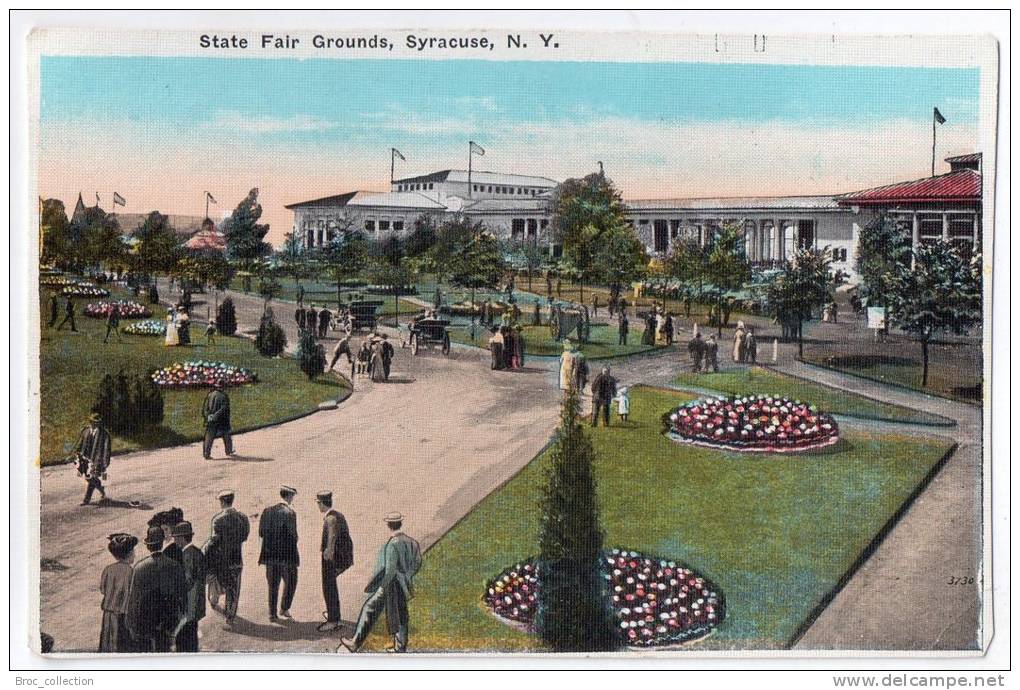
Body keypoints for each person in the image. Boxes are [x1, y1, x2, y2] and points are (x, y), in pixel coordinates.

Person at [339, 513, 422, 654]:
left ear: (389, 525)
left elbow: (389, 571)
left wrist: (382, 586)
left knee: (370, 608)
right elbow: (418, 562)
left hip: (391, 585)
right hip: (404, 584)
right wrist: (407, 575)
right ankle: (400, 647)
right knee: (401, 614)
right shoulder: (412, 542)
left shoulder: (392, 544)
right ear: (400, 524)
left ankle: (355, 643)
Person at [126, 526, 187, 653]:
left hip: (146, 620)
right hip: (168, 620)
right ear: (162, 542)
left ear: (148, 546)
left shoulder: (140, 567)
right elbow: (182, 594)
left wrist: (131, 624)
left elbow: (134, 599)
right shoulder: (174, 565)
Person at [204, 490, 249, 626]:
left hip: (221, 560)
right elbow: (245, 536)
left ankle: (213, 601)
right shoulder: (243, 517)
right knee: (233, 589)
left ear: (222, 502)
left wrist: (205, 550)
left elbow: (214, 541)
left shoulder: (218, 519)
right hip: (236, 559)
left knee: (215, 579)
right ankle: (230, 616)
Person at [259, 485, 300, 622]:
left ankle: (272, 614)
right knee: (291, 581)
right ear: (289, 496)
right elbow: (294, 536)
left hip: (269, 556)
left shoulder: (267, 510)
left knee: (272, 585)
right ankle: (284, 608)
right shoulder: (290, 513)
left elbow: (261, 532)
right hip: (285, 557)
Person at [317, 491, 354, 632]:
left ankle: (333, 620)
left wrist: (328, 553)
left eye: (318, 503)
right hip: (341, 557)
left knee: (329, 587)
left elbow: (331, 538)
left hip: (332, 558)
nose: (318, 506)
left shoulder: (330, 519)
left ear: (321, 503)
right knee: (330, 586)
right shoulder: (338, 515)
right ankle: (334, 614)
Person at [98, 533, 137, 653]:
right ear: (129, 554)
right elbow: (132, 594)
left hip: (108, 615)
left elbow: (102, 589)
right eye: (133, 552)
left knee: (107, 643)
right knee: (123, 645)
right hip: (123, 615)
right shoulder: (131, 571)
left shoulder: (108, 569)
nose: (135, 554)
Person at [172, 522, 206, 652]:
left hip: (190, 602)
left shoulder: (187, 555)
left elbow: (188, 580)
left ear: (182, 538)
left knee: (187, 635)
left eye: (176, 538)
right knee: (192, 632)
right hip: (197, 601)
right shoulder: (197, 551)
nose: (174, 541)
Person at [74, 413, 111, 506]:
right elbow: (80, 443)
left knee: (91, 478)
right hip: (85, 459)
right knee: (89, 478)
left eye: (97, 422)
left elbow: (107, 449)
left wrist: (105, 462)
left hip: (97, 460)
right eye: (93, 422)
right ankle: (102, 491)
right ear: (90, 422)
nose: (95, 424)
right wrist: (77, 453)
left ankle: (86, 500)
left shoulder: (104, 434)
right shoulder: (85, 431)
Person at [201, 382, 233, 459]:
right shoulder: (224, 396)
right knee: (226, 435)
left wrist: (207, 417)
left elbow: (205, 408)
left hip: (211, 418)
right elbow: (224, 408)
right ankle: (228, 450)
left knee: (209, 436)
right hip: (222, 419)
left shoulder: (210, 395)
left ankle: (206, 453)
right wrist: (216, 416)